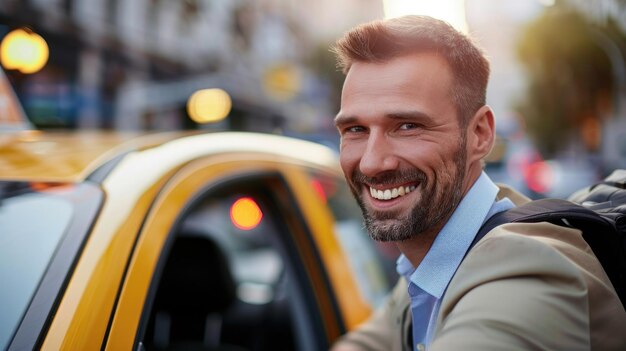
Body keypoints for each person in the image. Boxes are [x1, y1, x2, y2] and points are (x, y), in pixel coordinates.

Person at [330, 15, 626, 351]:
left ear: (480, 134)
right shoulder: (430, 257)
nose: (371, 162)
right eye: (355, 130)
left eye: (407, 126)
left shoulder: (525, 277)